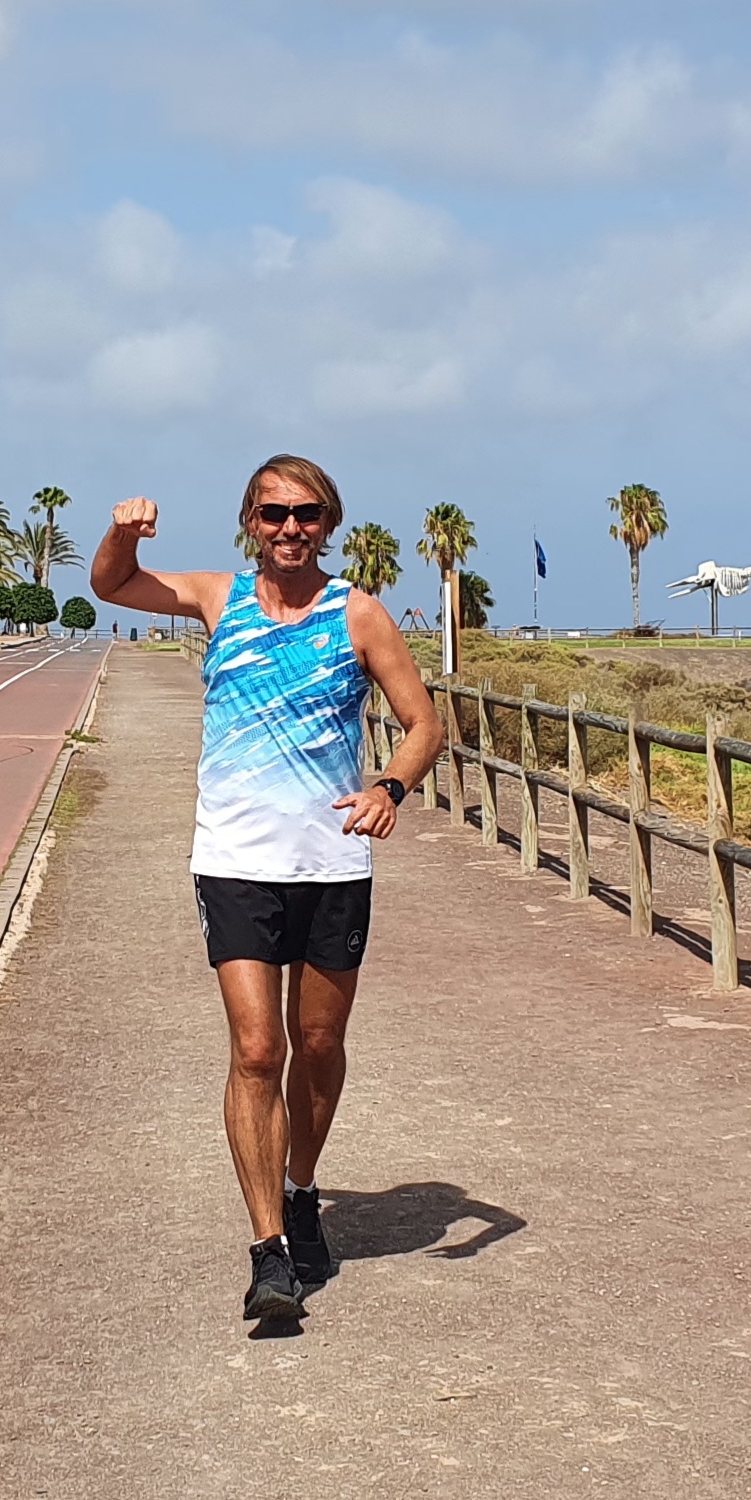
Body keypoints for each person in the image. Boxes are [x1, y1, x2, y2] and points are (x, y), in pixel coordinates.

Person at [90, 455, 442, 1322]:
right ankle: (269, 1254)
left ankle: (300, 1188)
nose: (292, 529)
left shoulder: (358, 613)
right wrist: (120, 533)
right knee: (257, 1051)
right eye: (276, 514)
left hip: (330, 863)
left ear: (330, 522)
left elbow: (424, 723)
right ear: (251, 520)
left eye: (308, 515)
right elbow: (114, 585)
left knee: (316, 1047)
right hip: (235, 859)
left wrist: (388, 789)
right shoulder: (219, 597)